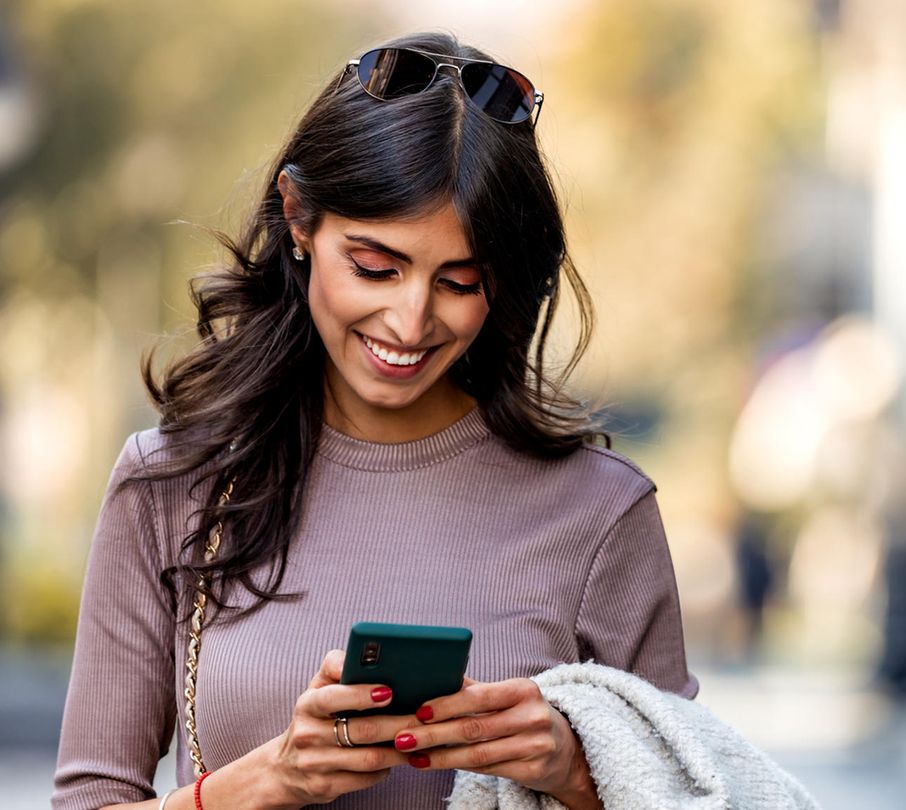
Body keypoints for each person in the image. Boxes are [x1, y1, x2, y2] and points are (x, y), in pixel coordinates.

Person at [52, 31, 698, 810]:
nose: (410, 319)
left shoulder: (600, 512)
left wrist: (575, 769)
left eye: (459, 282)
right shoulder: (173, 483)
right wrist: (268, 779)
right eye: (375, 267)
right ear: (299, 219)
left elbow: (693, 789)